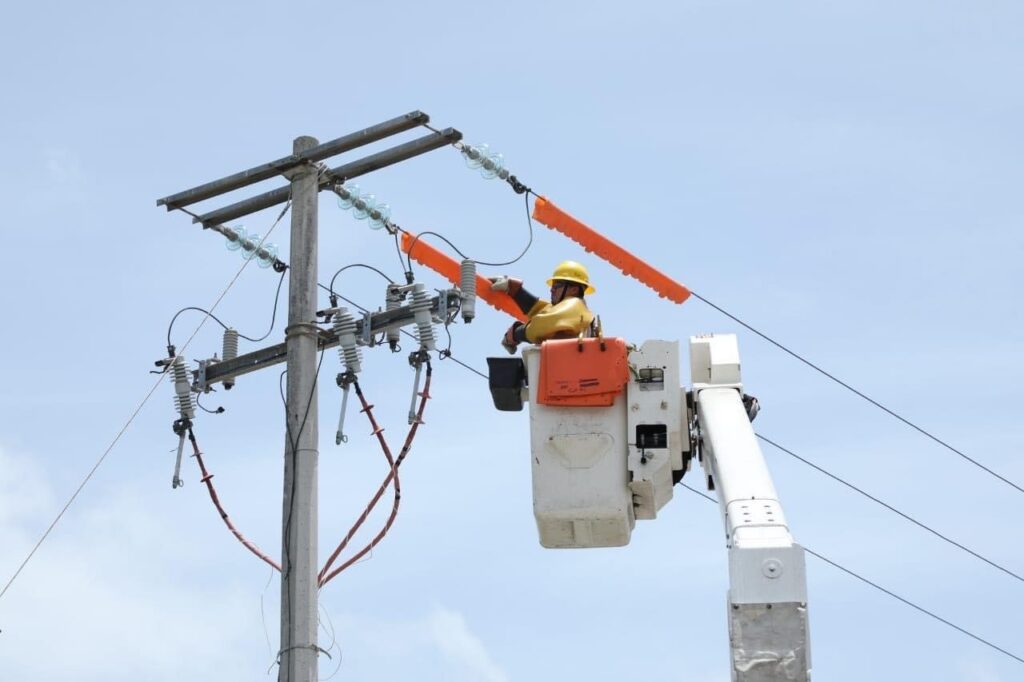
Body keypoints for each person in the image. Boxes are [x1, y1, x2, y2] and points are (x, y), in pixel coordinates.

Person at [490, 260, 596, 354]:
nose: (551, 289)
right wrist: (515, 290)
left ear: (574, 290)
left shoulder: (575, 305)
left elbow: (541, 324)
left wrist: (516, 333)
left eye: (557, 286)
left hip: (565, 372)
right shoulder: (574, 312)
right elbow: (544, 311)